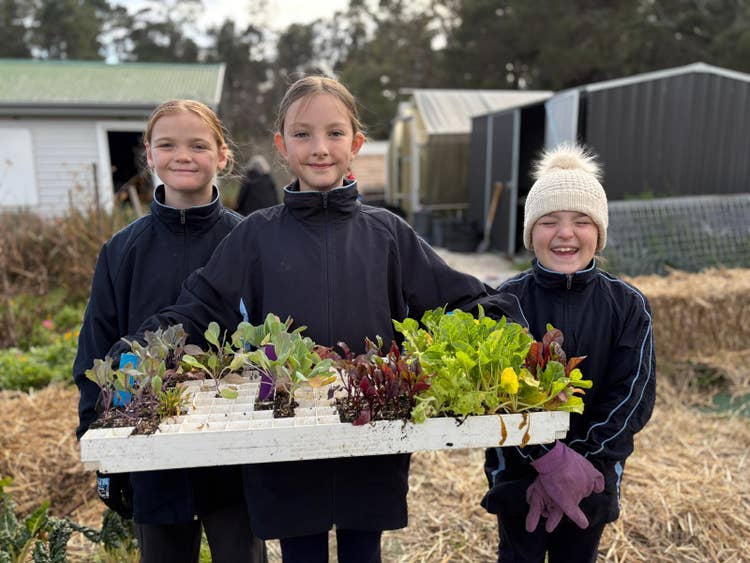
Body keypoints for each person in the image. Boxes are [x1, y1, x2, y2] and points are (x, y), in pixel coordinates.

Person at [107, 75, 523, 563]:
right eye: (303, 134)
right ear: (283, 146)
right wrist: (138, 348)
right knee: (300, 551)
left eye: (334, 133)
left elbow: (455, 297)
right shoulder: (256, 237)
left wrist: (503, 319)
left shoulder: (387, 234)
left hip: (370, 434)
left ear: (357, 144)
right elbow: (198, 309)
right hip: (286, 441)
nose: (319, 148)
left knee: (363, 551)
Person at [73, 99, 266, 563]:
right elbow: (96, 350)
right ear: (150, 153)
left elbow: (269, 339)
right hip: (151, 451)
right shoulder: (122, 250)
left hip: (232, 449)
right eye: (168, 144)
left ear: (222, 155)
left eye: (198, 145)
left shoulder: (248, 241)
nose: (183, 155)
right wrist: (100, 448)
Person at [481, 144, 656, 562]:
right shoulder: (506, 301)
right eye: (548, 221)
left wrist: (578, 467)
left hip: (593, 479)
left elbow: (632, 398)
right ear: (529, 233)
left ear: (599, 232)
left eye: (581, 221)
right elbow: (499, 400)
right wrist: (547, 463)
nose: (565, 233)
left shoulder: (628, 305)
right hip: (518, 479)